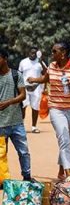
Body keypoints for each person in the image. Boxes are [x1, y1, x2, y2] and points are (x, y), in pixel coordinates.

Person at [27, 41, 70, 183]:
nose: (52, 54)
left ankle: (61, 171)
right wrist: (34, 80)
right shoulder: (52, 67)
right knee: (63, 138)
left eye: (55, 51)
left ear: (63, 53)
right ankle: (68, 172)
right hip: (56, 109)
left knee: (66, 139)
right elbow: (45, 79)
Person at [0, 48, 32, 181]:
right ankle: (2, 180)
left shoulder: (16, 75)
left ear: (5, 59)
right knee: (1, 154)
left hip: (16, 122)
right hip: (1, 123)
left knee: (23, 152)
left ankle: (27, 176)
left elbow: (23, 95)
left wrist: (8, 102)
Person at [18, 46, 47, 133]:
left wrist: (41, 61)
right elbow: (19, 75)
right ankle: (21, 126)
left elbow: (46, 74)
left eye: (35, 53)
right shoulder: (23, 62)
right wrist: (19, 87)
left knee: (35, 107)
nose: (33, 54)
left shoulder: (40, 63)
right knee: (23, 106)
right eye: (31, 52)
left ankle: (34, 127)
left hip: (36, 88)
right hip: (25, 88)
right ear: (28, 53)